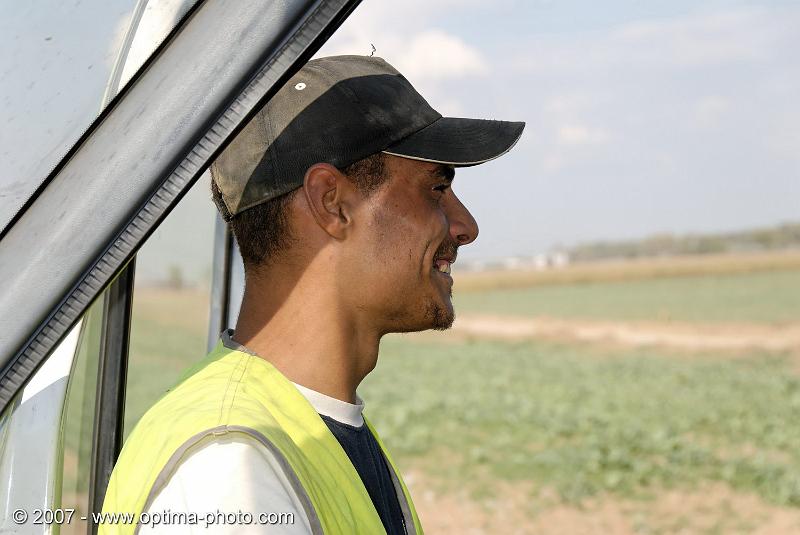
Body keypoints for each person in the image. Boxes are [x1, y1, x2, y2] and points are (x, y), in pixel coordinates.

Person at [100, 55, 524, 534]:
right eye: (436, 187)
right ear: (332, 202)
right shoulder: (231, 467)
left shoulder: (315, 428)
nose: (466, 226)